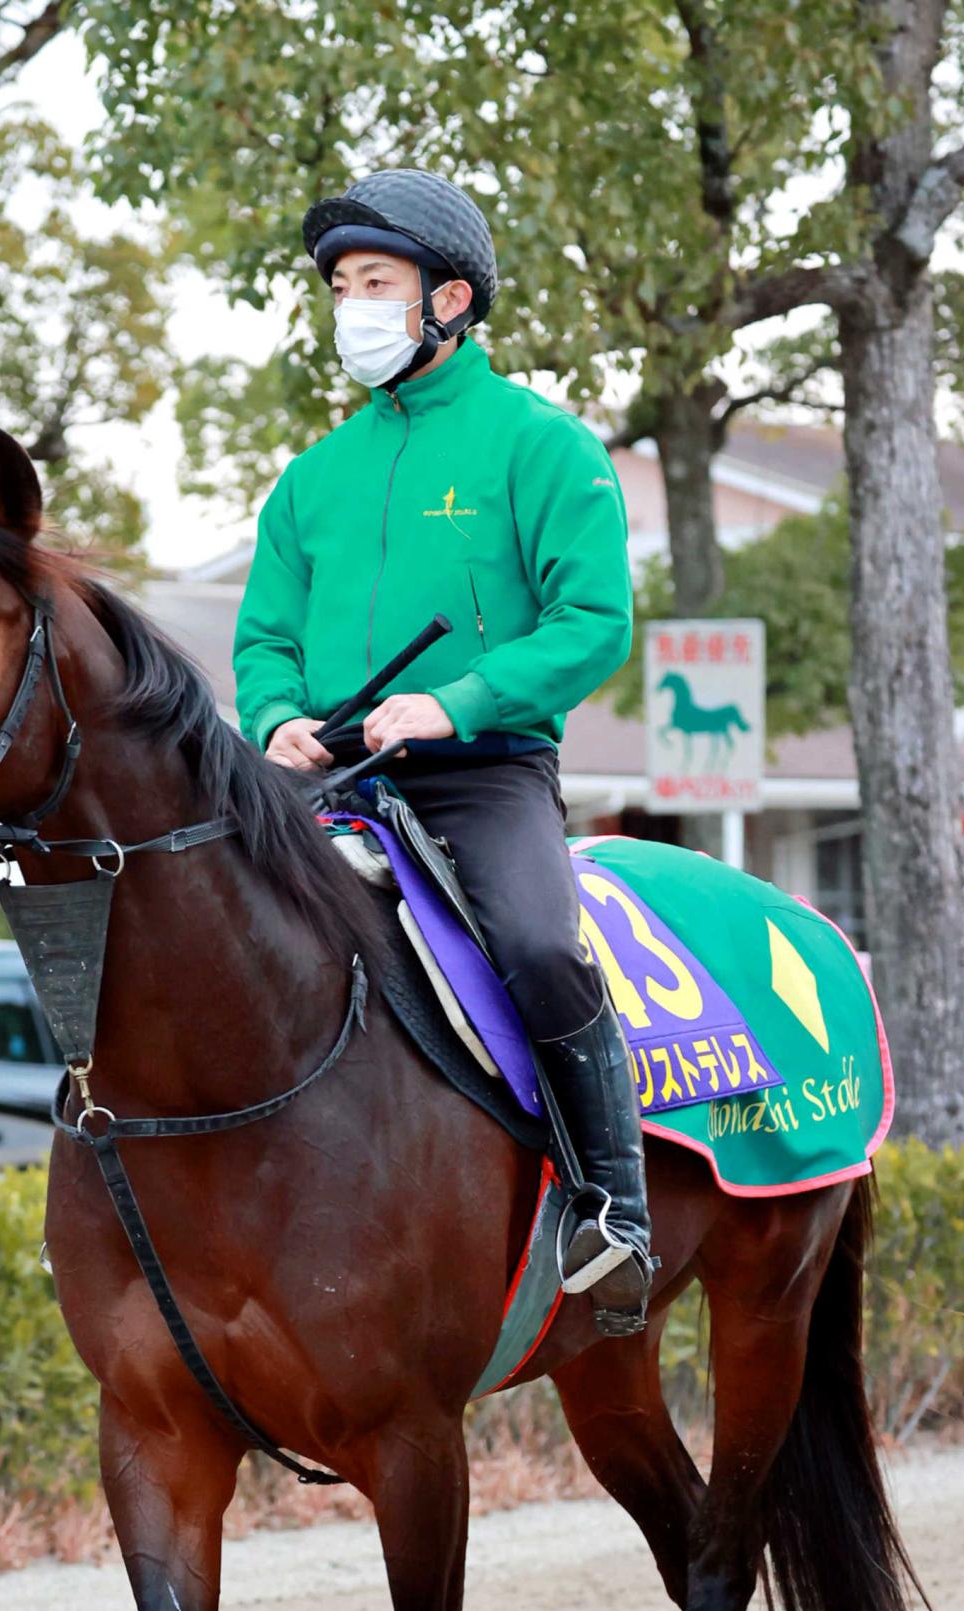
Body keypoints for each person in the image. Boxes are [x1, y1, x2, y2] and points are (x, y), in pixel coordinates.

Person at [233, 169, 651, 1332]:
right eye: (341, 287)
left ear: (451, 299)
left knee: (537, 943)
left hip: (483, 771)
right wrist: (274, 716)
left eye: (377, 282)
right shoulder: (311, 478)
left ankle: (613, 1210)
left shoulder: (542, 447)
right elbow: (264, 635)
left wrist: (456, 702)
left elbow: (593, 622)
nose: (351, 306)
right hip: (321, 779)